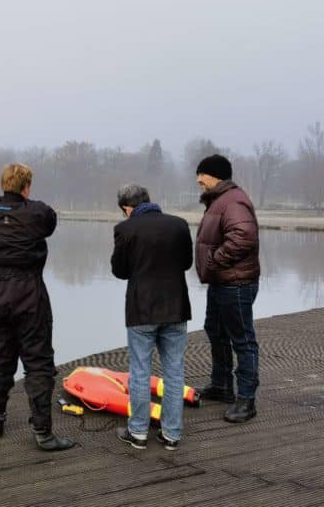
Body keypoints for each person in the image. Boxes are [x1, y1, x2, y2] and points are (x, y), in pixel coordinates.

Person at [0, 163, 74, 451]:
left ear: (3, 186)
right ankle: (42, 432)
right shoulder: (36, 212)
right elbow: (50, 220)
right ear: (27, 187)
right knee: (37, 360)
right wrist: (18, 204)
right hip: (28, 290)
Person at [110, 184, 193, 451]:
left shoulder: (126, 229)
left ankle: (138, 433)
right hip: (175, 308)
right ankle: (171, 434)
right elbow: (186, 263)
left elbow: (120, 271)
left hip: (141, 310)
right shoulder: (179, 225)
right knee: (174, 371)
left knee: (140, 372)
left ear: (127, 207)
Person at [194, 154, 260, 423]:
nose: (198, 180)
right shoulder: (219, 201)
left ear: (216, 176)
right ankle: (221, 386)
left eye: (202, 175)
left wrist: (214, 261)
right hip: (221, 282)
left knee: (242, 341)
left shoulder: (233, 200)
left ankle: (247, 400)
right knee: (216, 331)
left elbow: (243, 236)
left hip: (236, 283)